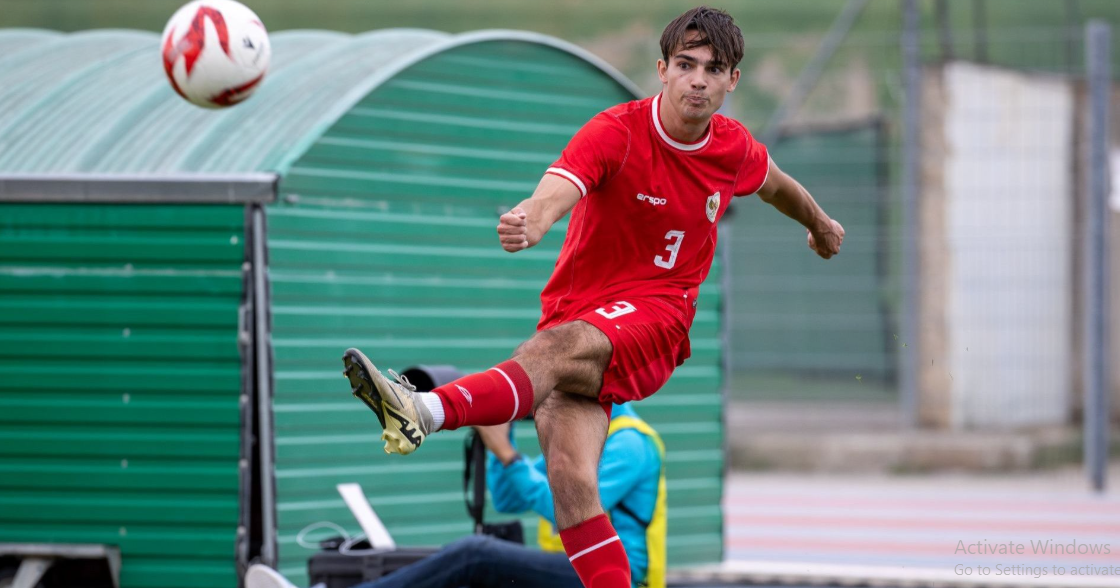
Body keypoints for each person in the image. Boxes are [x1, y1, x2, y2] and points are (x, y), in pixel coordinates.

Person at [341, 6, 844, 588]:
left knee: (554, 350)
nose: (698, 79)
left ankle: (423, 410)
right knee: (570, 481)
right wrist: (532, 219)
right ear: (662, 69)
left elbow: (779, 187)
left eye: (714, 68)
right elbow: (560, 187)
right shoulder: (617, 131)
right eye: (686, 64)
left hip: (659, 312)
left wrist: (822, 223)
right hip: (579, 310)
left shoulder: (732, 148)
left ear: (733, 81)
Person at [244, 404, 666, 588]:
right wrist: (505, 432)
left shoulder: (629, 445)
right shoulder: (576, 439)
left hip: (614, 578)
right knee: (472, 568)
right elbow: (509, 498)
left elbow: (564, 513)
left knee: (475, 555)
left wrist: (506, 452)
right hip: (569, 570)